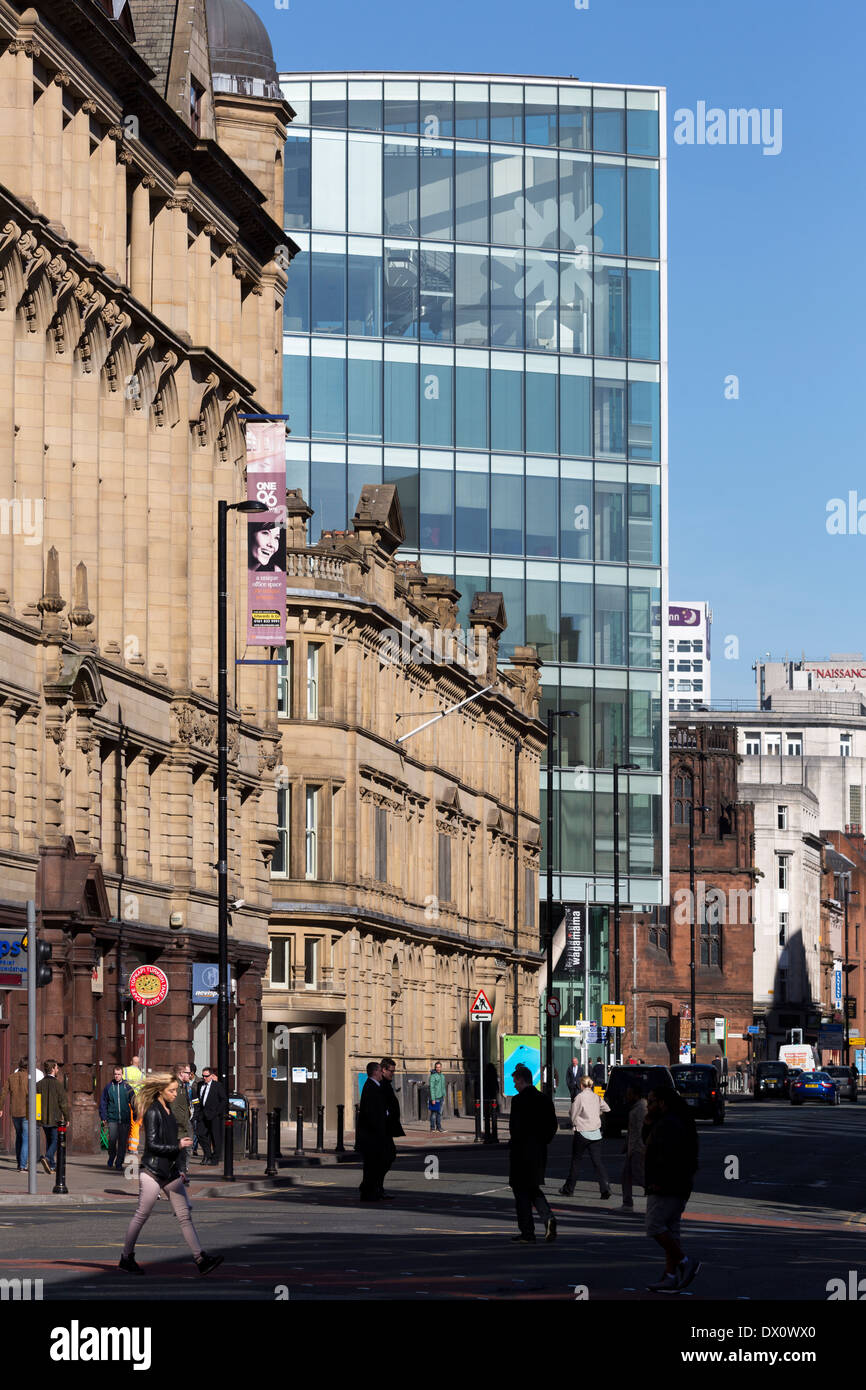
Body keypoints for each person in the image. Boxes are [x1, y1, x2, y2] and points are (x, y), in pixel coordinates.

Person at [119, 1073, 222, 1276]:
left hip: (169, 1171)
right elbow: (153, 1145)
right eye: (171, 1090)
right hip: (152, 1171)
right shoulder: (152, 1112)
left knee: (184, 1215)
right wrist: (178, 1145)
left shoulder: (168, 1110)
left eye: (176, 1090)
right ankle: (126, 1257)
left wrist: (178, 1171)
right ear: (160, 1091)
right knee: (141, 1215)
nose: (175, 1094)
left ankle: (200, 1259)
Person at [642, 1083, 701, 1292]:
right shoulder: (670, 1120)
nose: (647, 1105)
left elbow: (667, 1156)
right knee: (671, 1229)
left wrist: (658, 1181)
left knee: (654, 1225)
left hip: (667, 1184)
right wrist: (648, 1123)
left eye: (651, 1102)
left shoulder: (670, 1124)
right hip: (678, 1184)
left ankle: (685, 1262)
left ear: (662, 1103)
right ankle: (670, 1275)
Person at [508, 1063, 559, 1244]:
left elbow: (514, 1128)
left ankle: (527, 1232)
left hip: (521, 1152)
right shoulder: (544, 1099)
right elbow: (552, 1126)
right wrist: (542, 1141)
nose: (514, 1085)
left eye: (515, 1081)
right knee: (532, 1187)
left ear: (522, 1081)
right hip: (538, 1152)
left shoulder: (518, 1101)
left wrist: (518, 1142)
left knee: (521, 1192)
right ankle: (548, 1217)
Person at [559, 1075, 611, 1198]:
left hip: (582, 1131)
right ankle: (605, 1188)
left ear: (581, 1085)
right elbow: (607, 1108)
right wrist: (598, 1113)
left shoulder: (579, 1097)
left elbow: (573, 1114)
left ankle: (569, 1188)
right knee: (597, 1162)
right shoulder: (596, 1097)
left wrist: (574, 1122)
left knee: (576, 1162)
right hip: (596, 1132)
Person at [0, 1057, 42, 1171]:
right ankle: (22, 1165)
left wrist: (0, 1108)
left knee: (19, 1137)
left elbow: (3, 1093)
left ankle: (20, 1163)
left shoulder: (11, 1077)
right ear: (28, 1066)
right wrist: (38, 1114)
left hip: (15, 1112)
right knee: (25, 1138)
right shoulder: (30, 1078)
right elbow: (36, 1096)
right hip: (26, 1112)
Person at [357, 1062, 391, 1201]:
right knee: (372, 1164)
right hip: (373, 1135)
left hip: (376, 1134)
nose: (382, 1074)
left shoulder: (375, 1086)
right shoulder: (370, 1087)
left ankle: (373, 1190)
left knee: (377, 1163)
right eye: (380, 1071)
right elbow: (372, 1113)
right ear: (376, 1072)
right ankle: (368, 1191)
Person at [98, 1066, 135, 1171]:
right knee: (112, 1141)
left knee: (123, 1142)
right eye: (115, 1074)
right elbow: (103, 1102)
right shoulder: (109, 1087)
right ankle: (111, 1156)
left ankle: (119, 1162)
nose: (117, 1076)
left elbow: (133, 1101)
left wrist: (135, 1113)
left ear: (122, 1074)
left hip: (124, 1119)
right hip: (112, 1118)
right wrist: (103, 1116)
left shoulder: (127, 1087)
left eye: (118, 1074)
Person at [36, 1060, 68, 1173]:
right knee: (56, 1141)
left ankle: (51, 1166)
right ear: (53, 1069)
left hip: (43, 1118)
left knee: (50, 1141)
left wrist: (38, 1117)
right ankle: (47, 1157)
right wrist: (67, 1118)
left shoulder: (38, 1084)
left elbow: (36, 1102)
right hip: (55, 1118)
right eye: (57, 1068)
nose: (58, 1070)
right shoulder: (58, 1084)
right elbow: (63, 1103)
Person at [378, 1057, 404, 1197]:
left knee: (389, 1156)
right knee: (386, 1157)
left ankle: (378, 1187)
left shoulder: (386, 1083)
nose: (393, 1074)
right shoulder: (381, 1084)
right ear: (383, 1069)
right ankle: (376, 1187)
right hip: (382, 1129)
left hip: (387, 1128)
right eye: (391, 1071)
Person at [620, 1078, 647, 1211]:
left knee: (639, 1175)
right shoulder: (636, 1107)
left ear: (636, 1094)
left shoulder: (641, 1108)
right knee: (626, 1176)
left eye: (629, 1093)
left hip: (638, 1149)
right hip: (632, 1148)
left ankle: (655, 1192)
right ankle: (627, 1203)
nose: (627, 1095)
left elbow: (642, 1131)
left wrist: (641, 1149)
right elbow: (631, 1131)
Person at [197, 1066, 227, 1166]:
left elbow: (224, 1100)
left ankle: (215, 1158)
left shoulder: (217, 1086)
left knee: (215, 1137)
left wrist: (217, 1112)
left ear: (211, 1076)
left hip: (214, 1116)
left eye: (206, 1076)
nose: (204, 1078)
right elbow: (198, 1100)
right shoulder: (200, 1085)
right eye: (203, 1076)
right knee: (200, 1134)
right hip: (203, 1115)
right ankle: (207, 1154)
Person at [170, 1063, 194, 1178]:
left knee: (182, 1154)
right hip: (178, 1127)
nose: (190, 1075)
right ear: (181, 1073)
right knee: (180, 1155)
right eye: (188, 1073)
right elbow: (174, 1108)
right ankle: (181, 1176)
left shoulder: (183, 1086)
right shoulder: (176, 1087)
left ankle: (181, 1175)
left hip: (183, 1126)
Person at [428, 1061, 446, 1132]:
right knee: (433, 1113)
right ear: (435, 1068)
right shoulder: (433, 1076)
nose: (438, 1068)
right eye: (436, 1067)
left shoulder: (442, 1075)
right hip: (435, 1098)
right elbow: (431, 1088)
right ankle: (432, 1128)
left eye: (439, 1067)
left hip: (441, 1097)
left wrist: (444, 1095)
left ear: (441, 1067)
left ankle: (439, 1127)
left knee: (440, 1113)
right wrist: (433, 1099)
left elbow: (443, 1086)